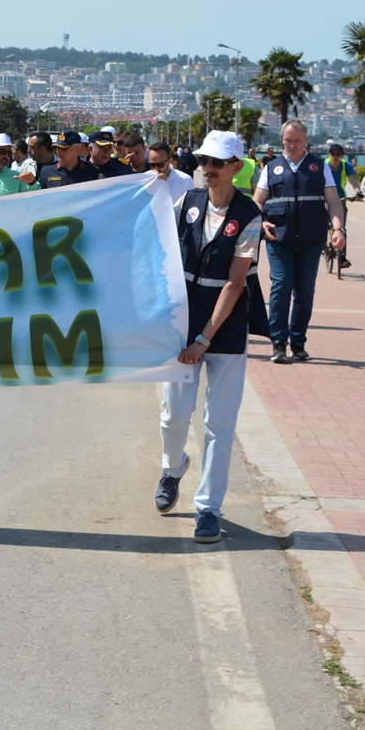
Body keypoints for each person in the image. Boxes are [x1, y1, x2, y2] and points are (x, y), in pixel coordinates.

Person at [157, 130, 260, 544]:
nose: (209, 169)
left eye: (218, 162)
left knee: (219, 422)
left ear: (237, 166)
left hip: (225, 327)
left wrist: (204, 339)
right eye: (204, 161)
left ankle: (208, 509)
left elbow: (235, 285)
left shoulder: (249, 215)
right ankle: (172, 467)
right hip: (184, 323)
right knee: (174, 415)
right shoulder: (189, 202)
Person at [252, 121, 347, 363]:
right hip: (278, 239)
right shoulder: (271, 167)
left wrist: (338, 229)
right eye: (287, 140)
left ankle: (298, 341)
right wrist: (261, 222)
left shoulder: (319, 167)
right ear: (281, 140)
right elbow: (257, 202)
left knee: (304, 293)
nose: (292, 145)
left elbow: (333, 201)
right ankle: (278, 343)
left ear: (306, 141)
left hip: (311, 240)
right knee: (281, 287)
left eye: (297, 140)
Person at [323, 143, 357, 268]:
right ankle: (322, 245)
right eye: (333, 154)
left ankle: (342, 258)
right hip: (325, 198)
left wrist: (358, 191)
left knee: (341, 229)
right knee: (321, 222)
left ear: (342, 156)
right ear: (328, 155)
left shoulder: (346, 165)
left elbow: (352, 179)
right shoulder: (324, 165)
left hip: (340, 198)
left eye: (338, 154)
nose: (335, 157)